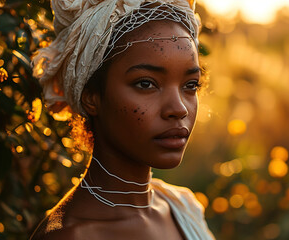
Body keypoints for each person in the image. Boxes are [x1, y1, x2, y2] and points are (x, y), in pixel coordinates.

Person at [30, 0, 214, 239]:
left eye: (190, 85)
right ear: (91, 96)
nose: (179, 109)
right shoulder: (71, 235)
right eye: (146, 83)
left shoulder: (182, 207)